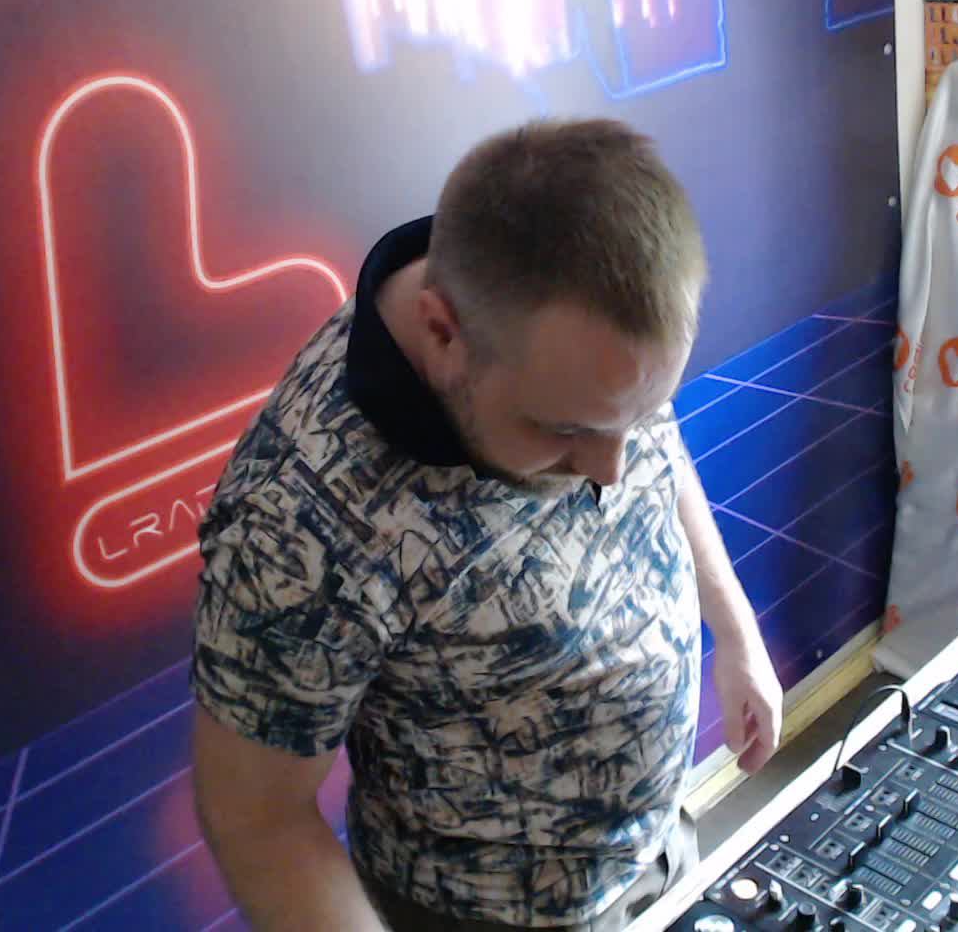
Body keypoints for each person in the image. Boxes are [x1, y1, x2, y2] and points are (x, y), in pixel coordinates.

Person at [190, 119, 783, 931]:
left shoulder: (582, 336)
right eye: (565, 431)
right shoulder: (299, 516)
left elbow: (650, 450)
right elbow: (258, 821)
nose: (612, 471)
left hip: (657, 849)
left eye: (636, 416)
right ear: (443, 332)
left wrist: (736, 631)